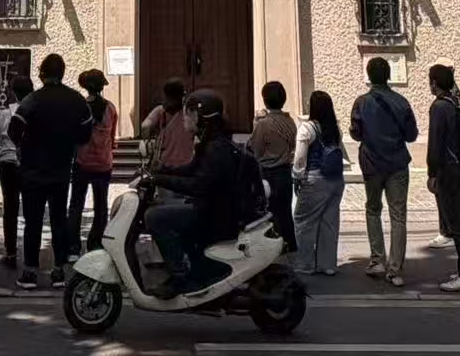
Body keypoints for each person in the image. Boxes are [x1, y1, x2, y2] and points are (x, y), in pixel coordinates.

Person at [144, 88, 242, 298]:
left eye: (189, 114)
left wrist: (161, 180)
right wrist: (162, 171)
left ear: (202, 117)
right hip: (210, 207)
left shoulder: (216, 148)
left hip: (214, 213)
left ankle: (180, 275)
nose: (185, 119)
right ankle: (191, 267)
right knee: (164, 209)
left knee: (155, 217)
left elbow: (198, 184)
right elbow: (192, 170)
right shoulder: (210, 142)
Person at [7, 52, 92, 290]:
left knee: (32, 222)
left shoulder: (32, 100)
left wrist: (23, 148)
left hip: (33, 171)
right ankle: (59, 270)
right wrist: (70, 144)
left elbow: (14, 130)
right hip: (61, 170)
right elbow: (86, 133)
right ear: (62, 73)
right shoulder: (76, 100)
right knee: (59, 220)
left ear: (42, 74)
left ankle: (30, 271)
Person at [350, 56, 418, 287]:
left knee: (373, 209)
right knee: (398, 215)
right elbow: (412, 135)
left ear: (368, 76)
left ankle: (377, 259)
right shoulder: (402, 102)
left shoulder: (361, 103)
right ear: (388, 75)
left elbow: (355, 133)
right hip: (397, 163)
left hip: (372, 163)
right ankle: (395, 268)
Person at [426, 63, 460, 293]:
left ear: (434, 83)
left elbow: (435, 143)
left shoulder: (439, 107)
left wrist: (431, 173)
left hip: (450, 170)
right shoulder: (456, 102)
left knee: (458, 224)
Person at [291, 90, 345, 275]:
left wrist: (297, 176)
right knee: (329, 222)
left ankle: (305, 263)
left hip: (315, 178)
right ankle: (327, 264)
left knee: (303, 220)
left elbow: (300, 158)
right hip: (336, 179)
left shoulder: (307, 128)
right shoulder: (335, 129)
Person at [69, 68, 116, 259]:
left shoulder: (79, 107)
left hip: (82, 162)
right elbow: (113, 138)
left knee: (76, 205)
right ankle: (95, 244)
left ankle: (73, 248)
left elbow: (73, 135)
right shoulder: (111, 108)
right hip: (103, 163)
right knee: (101, 207)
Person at [247, 80, 298, 253]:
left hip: (268, 174)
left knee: (269, 214)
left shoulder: (263, 124)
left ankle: (273, 248)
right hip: (285, 172)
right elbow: (293, 145)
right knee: (285, 212)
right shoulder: (290, 122)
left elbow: (256, 150)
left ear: (265, 100)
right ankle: (290, 243)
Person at [0, 75, 32, 268]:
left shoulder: (3, 113)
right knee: (31, 208)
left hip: (7, 162)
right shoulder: (34, 111)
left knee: (10, 208)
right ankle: (30, 253)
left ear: (13, 92)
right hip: (28, 163)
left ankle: (10, 252)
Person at [139, 78, 195, 170]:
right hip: (187, 166)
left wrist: (148, 141)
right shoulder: (190, 113)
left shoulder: (160, 111)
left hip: (165, 165)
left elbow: (145, 126)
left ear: (165, 96)